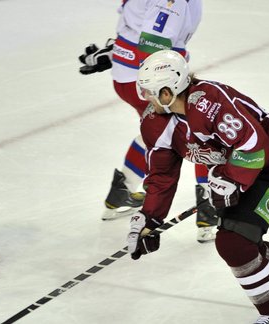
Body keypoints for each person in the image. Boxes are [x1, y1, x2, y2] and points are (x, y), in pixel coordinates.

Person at [127, 49, 269, 324]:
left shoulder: (209, 102)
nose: (145, 98)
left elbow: (253, 144)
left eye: (150, 92)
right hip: (235, 172)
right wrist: (148, 217)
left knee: (233, 243)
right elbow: (162, 175)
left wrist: (232, 180)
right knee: (237, 243)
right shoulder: (155, 123)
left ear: (168, 92)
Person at [78, 0, 217, 242]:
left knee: (156, 132)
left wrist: (117, 52)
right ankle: (209, 208)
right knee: (198, 130)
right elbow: (153, 41)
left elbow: (137, 22)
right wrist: (165, 88)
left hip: (128, 72)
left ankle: (122, 191)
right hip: (148, 76)